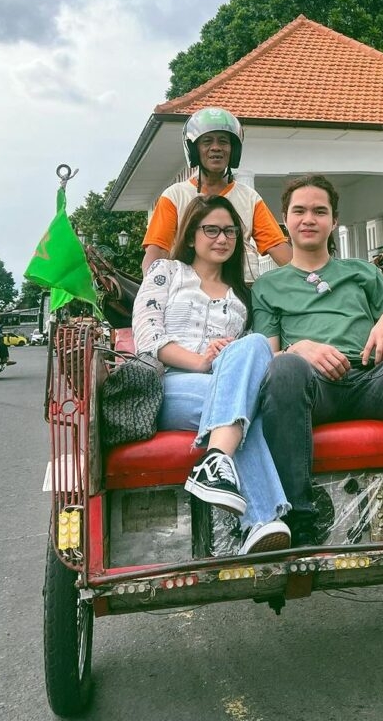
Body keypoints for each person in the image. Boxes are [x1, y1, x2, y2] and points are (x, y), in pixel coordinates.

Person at [253, 175, 383, 548]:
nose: (309, 219)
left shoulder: (362, 272)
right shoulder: (269, 286)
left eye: (320, 211)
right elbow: (265, 358)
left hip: (372, 378)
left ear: (333, 221)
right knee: (283, 369)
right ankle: (298, 522)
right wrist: (298, 348)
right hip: (311, 390)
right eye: (299, 211)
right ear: (286, 219)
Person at [133, 194, 291, 555]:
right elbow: (148, 337)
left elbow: (248, 363)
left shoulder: (242, 297)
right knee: (241, 413)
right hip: (170, 384)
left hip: (225, 383)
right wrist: (200, 361)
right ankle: (264, 520)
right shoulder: (166, 272)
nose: (222, 239)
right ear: (191, 236)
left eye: (231, 232)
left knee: (253, 346)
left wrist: (228, 353)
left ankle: (217, 462)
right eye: (212, 230)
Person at [141, 107, 291, 281]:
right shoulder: (174, 196)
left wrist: (310, 280)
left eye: (223, 141)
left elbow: (278, 247)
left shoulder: (249, 197)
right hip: (189, 291)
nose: (216, 148)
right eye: (207, 142)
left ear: (233, 150)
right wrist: (150, 288)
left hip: (243, 288)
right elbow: (157, 250)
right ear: (194, 149)